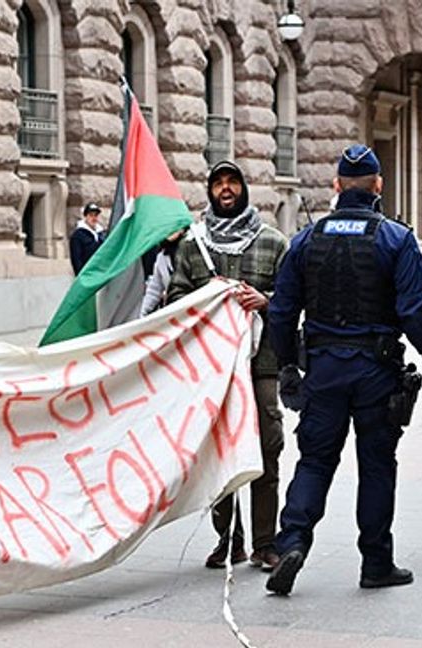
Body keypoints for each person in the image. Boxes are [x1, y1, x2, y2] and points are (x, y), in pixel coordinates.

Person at [266, 145, 422, 595]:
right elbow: (414, 310)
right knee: (377, 465)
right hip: (376, 372)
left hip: (323, 369)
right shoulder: (397, 239)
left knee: (314, 461)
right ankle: (376, 563)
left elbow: (282, 312)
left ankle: (293, 542)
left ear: (336, 185)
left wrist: (287, 365)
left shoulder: (306, 240)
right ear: (378, 185)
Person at [165, 160, 289, 573]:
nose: (225, 188)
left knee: (266, 448)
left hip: (261, 365)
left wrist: (266, 301)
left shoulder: (273, 242)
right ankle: (228, 540)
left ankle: (265, 543)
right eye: (218, 183)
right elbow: (174, 300)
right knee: (219, 451)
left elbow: (293, 299)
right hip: (213, 370)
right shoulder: (193, 245)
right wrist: (207, 299)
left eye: (232, 181)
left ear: (243, 189)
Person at [139, 228, 187, 316]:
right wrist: (141, 315)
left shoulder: (193, 249)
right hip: (175, 312)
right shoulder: (162, 258)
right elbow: (154, 290)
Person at [69, 202, 105, 274]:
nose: (93, 218)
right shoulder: (78, 236)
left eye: (96, 215)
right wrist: (81, 276)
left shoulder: (101, 234)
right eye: (91, 215)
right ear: (85, 216)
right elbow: (76, 259)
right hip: (87, 274)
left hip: (100, 273)